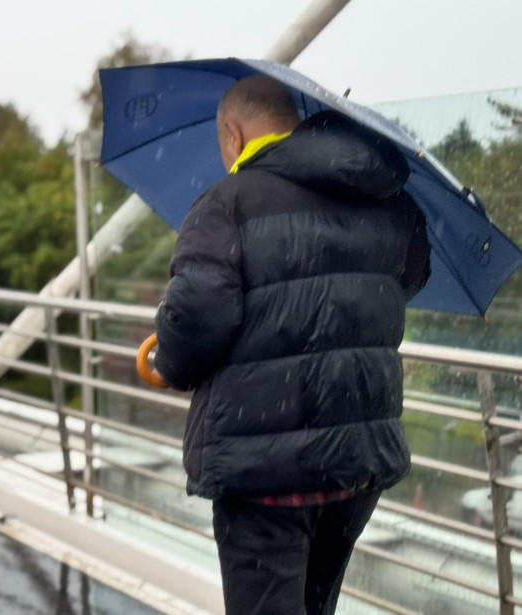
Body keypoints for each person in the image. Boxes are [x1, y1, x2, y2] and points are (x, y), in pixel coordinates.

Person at [153, 76, 430, 615]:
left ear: (233, 134)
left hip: (267, 466)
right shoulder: (388, 198)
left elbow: (197, 317)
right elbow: (407, 281)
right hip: (357, 457)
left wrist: (168, 359)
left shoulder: (228, 202)